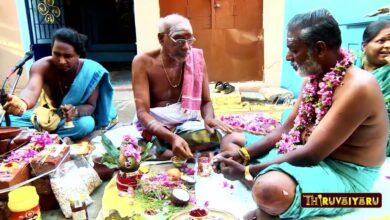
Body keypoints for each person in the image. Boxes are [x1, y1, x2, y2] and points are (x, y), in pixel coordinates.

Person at [213, 9, 388, 219]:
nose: (288, 56)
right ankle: (270, 198)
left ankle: (268, 196)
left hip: (348, 183)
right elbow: (286, 130)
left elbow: (311, 153)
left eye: (293, 49)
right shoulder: (313, 77)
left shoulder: (359, 86)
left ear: (320, 49)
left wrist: (248, 171)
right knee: (232, 140)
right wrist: (244, 156)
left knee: (268, 190)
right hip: (307, 156)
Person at [131, 14, 232, 160]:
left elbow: (206, 101)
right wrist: (172, 138)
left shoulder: (196, 59)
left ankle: (165, 152)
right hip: (155, 126)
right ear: (161, 39)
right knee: (129, 146)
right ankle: (174, 149)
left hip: (185, 124)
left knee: (221, 135)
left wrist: (209, 118)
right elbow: (142, 113)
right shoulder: (143, 62)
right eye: (179, 39)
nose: (186, 46)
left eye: (189, 39)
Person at [2, 28, 118, 139]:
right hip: (45, 117)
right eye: (56, 54)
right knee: (3, 121)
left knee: (86, 124)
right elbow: (31, 90)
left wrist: (75, 111)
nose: (61, 61)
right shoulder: (42, 66)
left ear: (78, 55)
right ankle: (48, 135)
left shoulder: (91, 70)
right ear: (51, 49)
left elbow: (91, 106)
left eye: (68, 56)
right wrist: (22, 103)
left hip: (70, 120)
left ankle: (39, 136)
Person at [355, 20, 390, 156]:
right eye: (381, 41)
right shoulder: (349, 65)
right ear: (364, 46)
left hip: (381, 136)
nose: (388, 46)